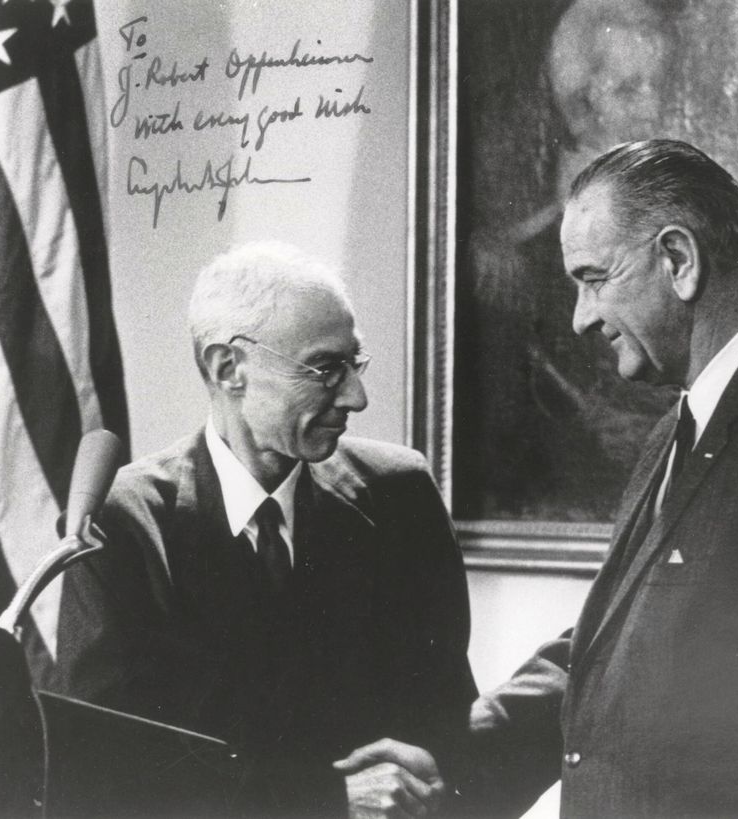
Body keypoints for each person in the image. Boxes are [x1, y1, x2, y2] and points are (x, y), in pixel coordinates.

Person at [338, 140, 738, 816]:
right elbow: (617, 640)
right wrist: (452, 755)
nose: (580, 316)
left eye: (594, 277)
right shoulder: (681, 424)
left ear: (678, 260)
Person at [50, 241, 477, 816]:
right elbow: (111, 770)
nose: (356, 395)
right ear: (229, 368)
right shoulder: (124, 523)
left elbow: (446, 713)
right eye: (325, 368)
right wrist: (321, 801)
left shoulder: (400, 493)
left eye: (355, 363)